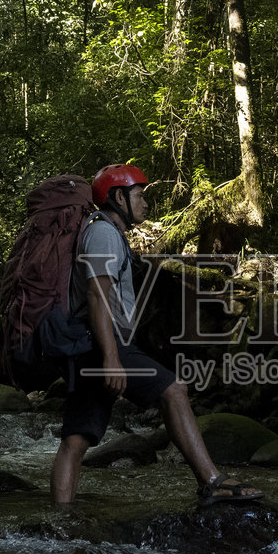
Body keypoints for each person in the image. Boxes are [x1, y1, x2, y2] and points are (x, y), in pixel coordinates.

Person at [50, 163, 264, 506]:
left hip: (88, 344)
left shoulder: (106, 232)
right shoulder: (103, 233)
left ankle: (60, 520)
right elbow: (97, 296)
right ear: (118, 197)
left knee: (76, 438)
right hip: (100, 342)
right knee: (174, 390)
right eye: (139, 195)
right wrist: (112, 359)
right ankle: (212, 481)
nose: (146, 203)